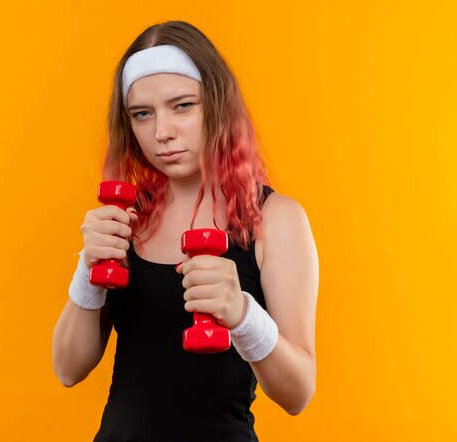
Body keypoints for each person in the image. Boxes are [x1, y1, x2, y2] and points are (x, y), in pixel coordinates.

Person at [52, 20, 319, 442]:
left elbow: (297, 393)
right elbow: (68, 368)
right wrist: (88, 268)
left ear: (217, 104)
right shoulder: (126, 219)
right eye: (143, 114)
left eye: (182, 106)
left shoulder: (275, 220)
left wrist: (244, 316)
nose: (162, 133)